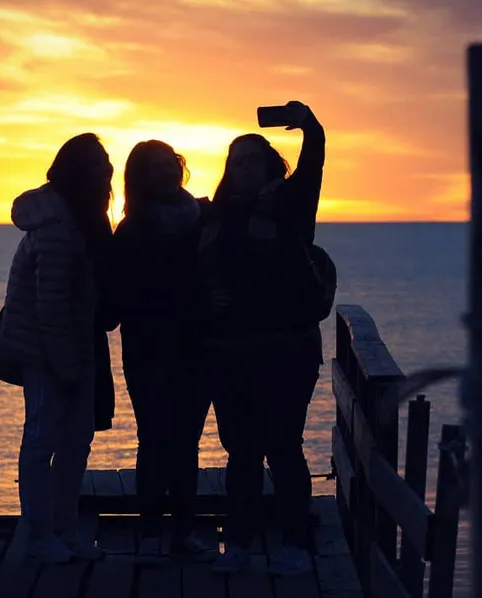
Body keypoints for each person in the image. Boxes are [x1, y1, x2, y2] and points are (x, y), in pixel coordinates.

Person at [200, 101, 325, 576]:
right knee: (242, 451)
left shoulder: (292, 204)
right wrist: (205, 300)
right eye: (236, 161)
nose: (244, 168)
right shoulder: (215, 217)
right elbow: (191, 271)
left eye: (253, 159)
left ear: (272, 165)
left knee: (285, 446)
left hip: (286, 349)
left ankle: (295, 543)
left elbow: (313, 163)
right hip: (229, 352)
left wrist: (311, 126)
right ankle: (242, 543)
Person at [0, 133, 114, 563]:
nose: (105, 178)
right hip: (47, 354)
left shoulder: (77, 222)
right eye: (98, 171)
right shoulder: (59, 231)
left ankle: (64, 530)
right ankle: (40, 535)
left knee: (75, 441)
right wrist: (67, 365)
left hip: (73, 350)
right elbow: (52, 307)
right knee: (43, 440)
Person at [111, 140, 215, 565]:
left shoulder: (202, 218)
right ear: (141, 178)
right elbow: (121, 297)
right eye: (154, 168)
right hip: (149, 349)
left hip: (196, 347)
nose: (167, 172)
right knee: (154, 440)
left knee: (186, 443)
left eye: (170, 163)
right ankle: (152, 531)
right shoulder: (132, 229)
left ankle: (184, 530)